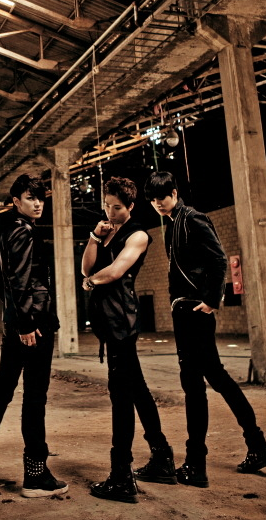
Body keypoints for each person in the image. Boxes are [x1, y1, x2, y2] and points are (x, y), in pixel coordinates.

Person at [143, 170, 266, 488]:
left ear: (174, 193)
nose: (157, 203)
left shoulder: (192, 218)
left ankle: (197, 464)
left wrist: (211, 301)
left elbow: (218, 260)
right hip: (185, 310)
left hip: (194, 311)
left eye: (162, 197)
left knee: (196, 385)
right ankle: (256, 446)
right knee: (214, 378)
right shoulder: (173, 223)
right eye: (153, 199)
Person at [0, 173, 67, 498]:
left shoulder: (8, 231)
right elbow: (19, 280)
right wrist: (26, 324)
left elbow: (6, 282)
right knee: (34, 395)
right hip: (33, 323)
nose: (38, 204)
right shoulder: (24, 231)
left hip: (17, 321)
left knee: (2, 389)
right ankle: (35, 474)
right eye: (30, 198)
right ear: (16, 201)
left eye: (41, 198)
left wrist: (16, 321)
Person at [81, 177, 176, 503]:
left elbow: (114, 271)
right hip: (110, 324)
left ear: (131, 206)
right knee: (137, 390)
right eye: (107, 205)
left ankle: (121, 476)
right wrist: (94, 237)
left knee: (121, 398)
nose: (110, 211)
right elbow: (86, 268)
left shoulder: (138, 235)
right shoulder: (107, 231)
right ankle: (162, 458)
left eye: (117, 207)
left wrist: (90, 283)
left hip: (121, 323)